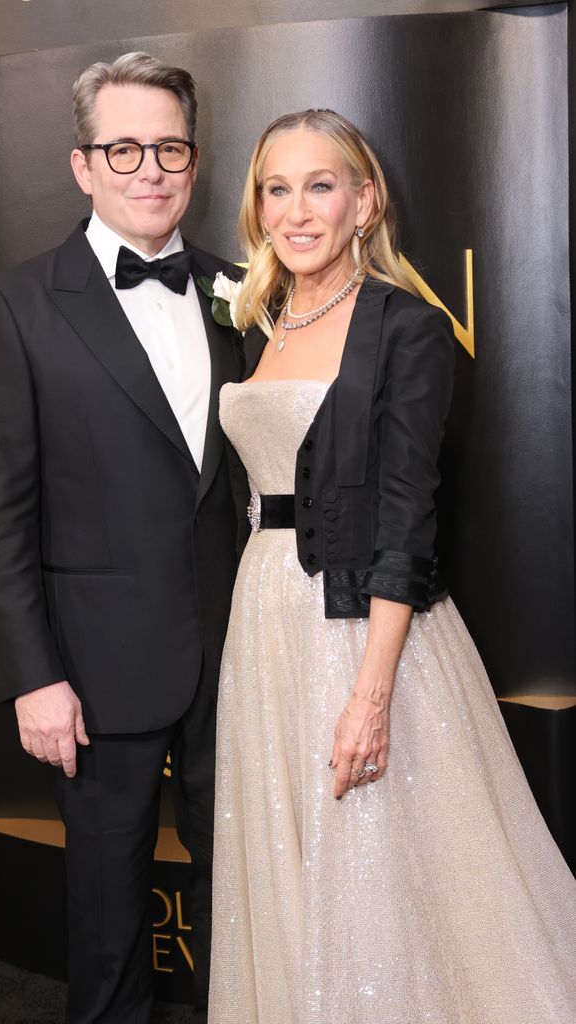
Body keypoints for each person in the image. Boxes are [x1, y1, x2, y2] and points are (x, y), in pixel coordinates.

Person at [208, 109, 576, 1024]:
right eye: (276, 188)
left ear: (365, 202)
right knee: (294, 861)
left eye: (320, 185)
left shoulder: (406, 327)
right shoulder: (262, 320)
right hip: (262, 625)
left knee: (381, 866)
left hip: (362, 629)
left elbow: (409, 515)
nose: (296, 211)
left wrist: (372, 694)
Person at [0, 53, 242, 1024]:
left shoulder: (240, 292)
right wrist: (31, 674)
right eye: (123, 148)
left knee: (238, 896)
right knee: (109, 912)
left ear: (194, 160)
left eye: (168, 146)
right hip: (91, 666)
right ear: (82, 165)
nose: (149, 168)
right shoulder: (16, 305)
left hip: (240, 659)